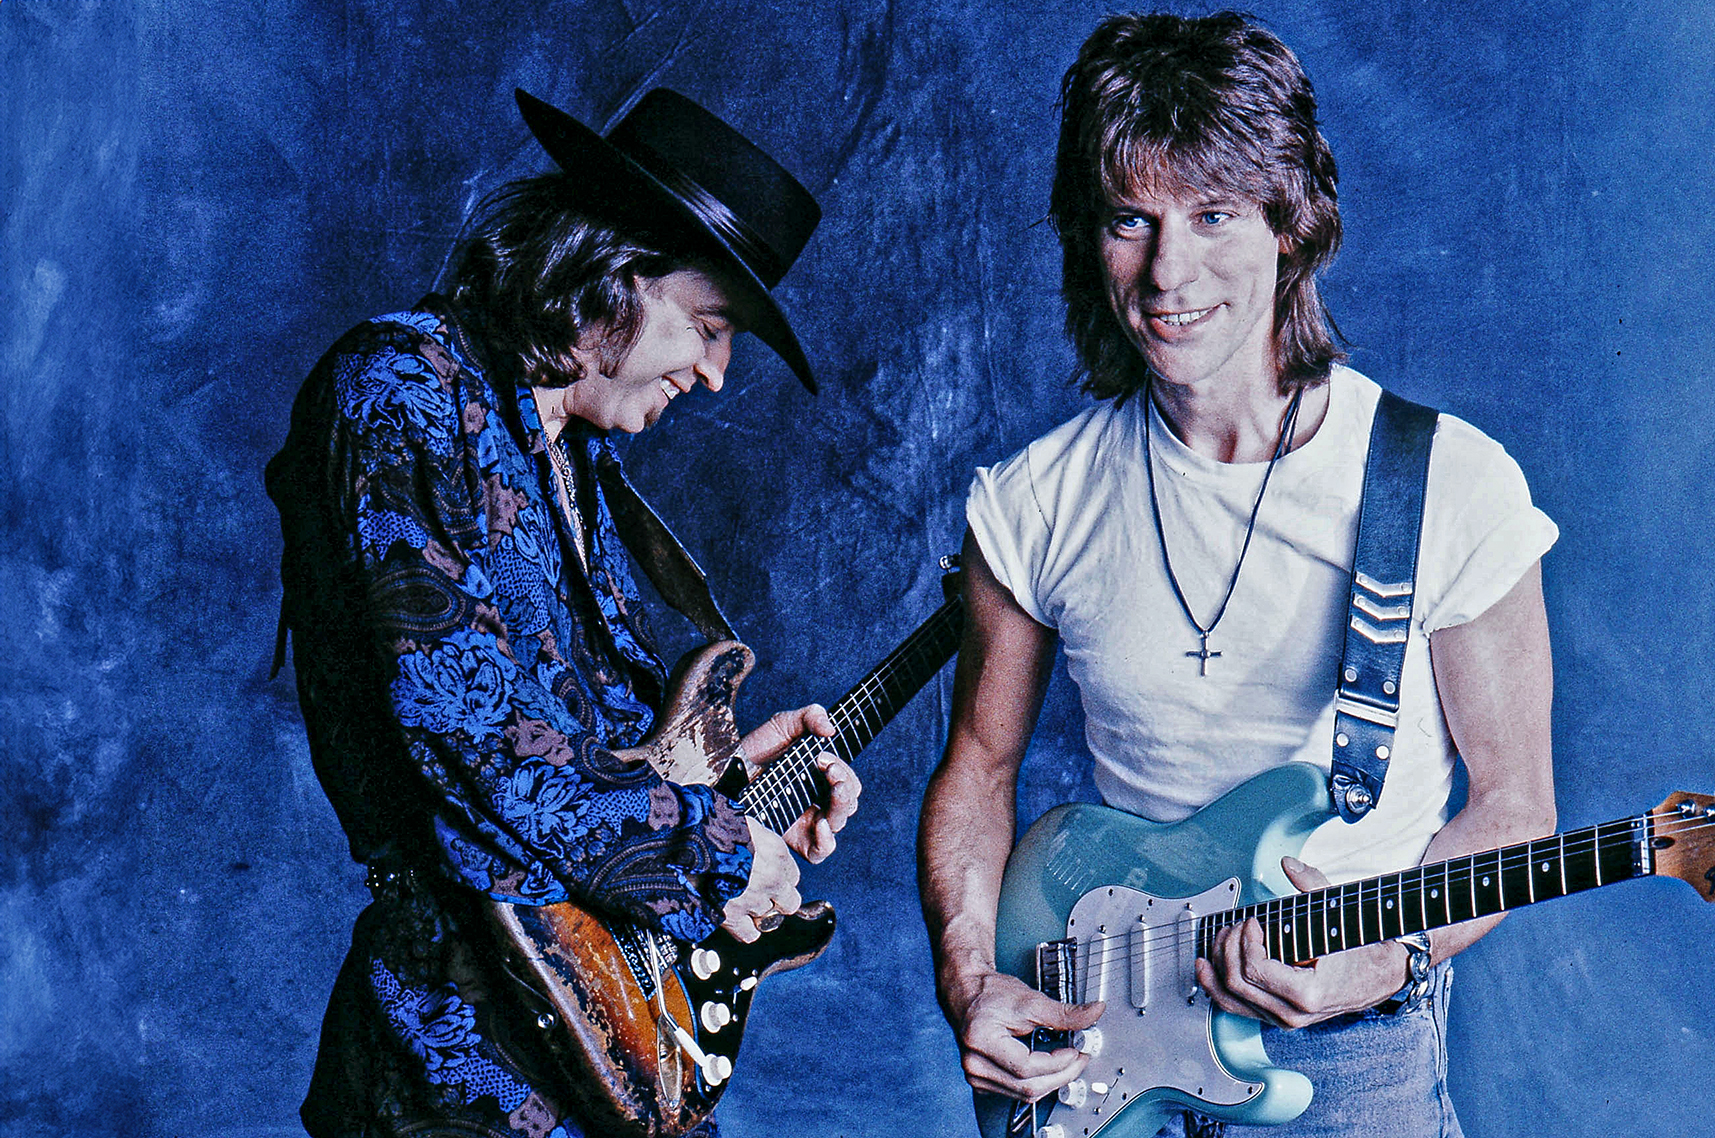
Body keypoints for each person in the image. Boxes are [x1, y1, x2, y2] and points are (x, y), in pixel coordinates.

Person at [918, 13, 1559, 1137]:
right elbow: (977, 769)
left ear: (1290, 226)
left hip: (1347, 1055)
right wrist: (973, 981)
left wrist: (1383, 954)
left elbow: (1514, 804)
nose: (1170, 272)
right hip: (1094, 1043)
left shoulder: (1449, 486)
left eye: (1213, 215)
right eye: (1131, 220)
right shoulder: (1031, 500)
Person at [267, 87, 860, 1138]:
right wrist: (723, 847)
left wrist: (738, 787)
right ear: (611, 273)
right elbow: (479, 759)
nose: (718, 376)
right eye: (711, 324)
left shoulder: (570, 456)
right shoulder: (401, 391)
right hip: (455, 1069)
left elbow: (579, 758)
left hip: (598, 1052)